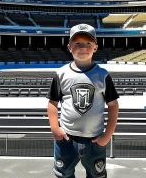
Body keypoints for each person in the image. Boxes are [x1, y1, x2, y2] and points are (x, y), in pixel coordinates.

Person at [47, 23, 119, 178]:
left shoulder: (103, 75)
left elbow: (113, 105)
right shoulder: (61, 74)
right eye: (77, 43)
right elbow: (53, 103)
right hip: (66, 136)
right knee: (63, 173)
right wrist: (55, 128)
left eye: (88, 43)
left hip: (94, 138)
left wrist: (107, 135)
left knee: (96, 175)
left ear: (95, 47)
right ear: (69, 47)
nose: (83, 47)